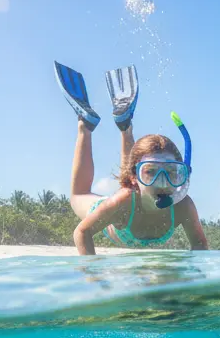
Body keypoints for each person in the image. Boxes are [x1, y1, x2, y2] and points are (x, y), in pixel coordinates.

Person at [53, 62, 208, 254]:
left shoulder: (183, 206)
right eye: (150, 172)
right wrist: (92, 275)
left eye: (171, 173)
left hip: (132, 193)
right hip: (119, 203)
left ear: (181, 175)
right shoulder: (121, 203)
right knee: (78, 195)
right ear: (135, 176)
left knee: (128, 184)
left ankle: (125, 126)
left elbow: (200, 244)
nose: (162, 182)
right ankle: (85, 126)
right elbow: (82, 232)